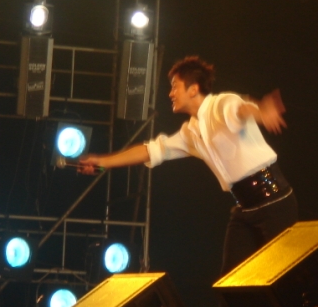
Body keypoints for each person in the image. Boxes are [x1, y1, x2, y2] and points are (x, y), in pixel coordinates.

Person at [78, 56, 298, 275]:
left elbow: (242, 109)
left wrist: (262, 111)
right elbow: (151, 150)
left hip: (275, 203)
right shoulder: (190, 132)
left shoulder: (222, 104)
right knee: (232, 280)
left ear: (193, 89)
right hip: (244, 209)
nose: (170, 93)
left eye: (175, 86)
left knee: (285, 275)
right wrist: (102, 162)